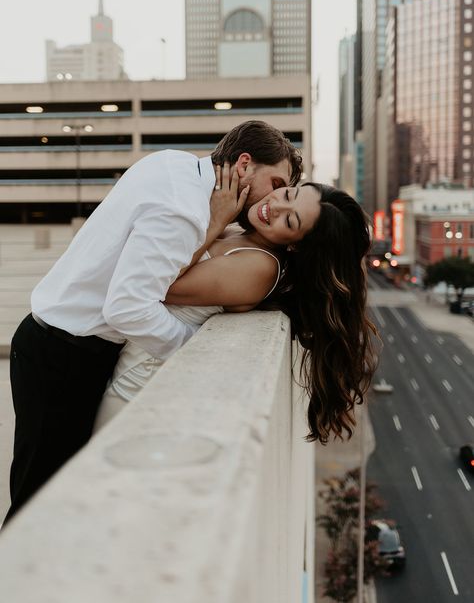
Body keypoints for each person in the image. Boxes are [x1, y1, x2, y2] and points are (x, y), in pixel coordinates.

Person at [5, 120, 302, 522]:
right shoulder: (185, 212)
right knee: (39, 505)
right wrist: (193, 347)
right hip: (64, 357)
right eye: (276, 183)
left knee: (48, 492)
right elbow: (127, 308)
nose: (274, 197)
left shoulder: (170, 163)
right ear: (244, 165)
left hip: (53, 342)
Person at [95, 172, 378, 447]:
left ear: (295, 245)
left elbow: (157, 285)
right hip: (126, 361)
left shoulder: (259, 268)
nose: (275, 206)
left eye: (290, 220)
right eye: (288, 195)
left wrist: (217, 220)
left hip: (136, 390)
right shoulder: (240, 233)